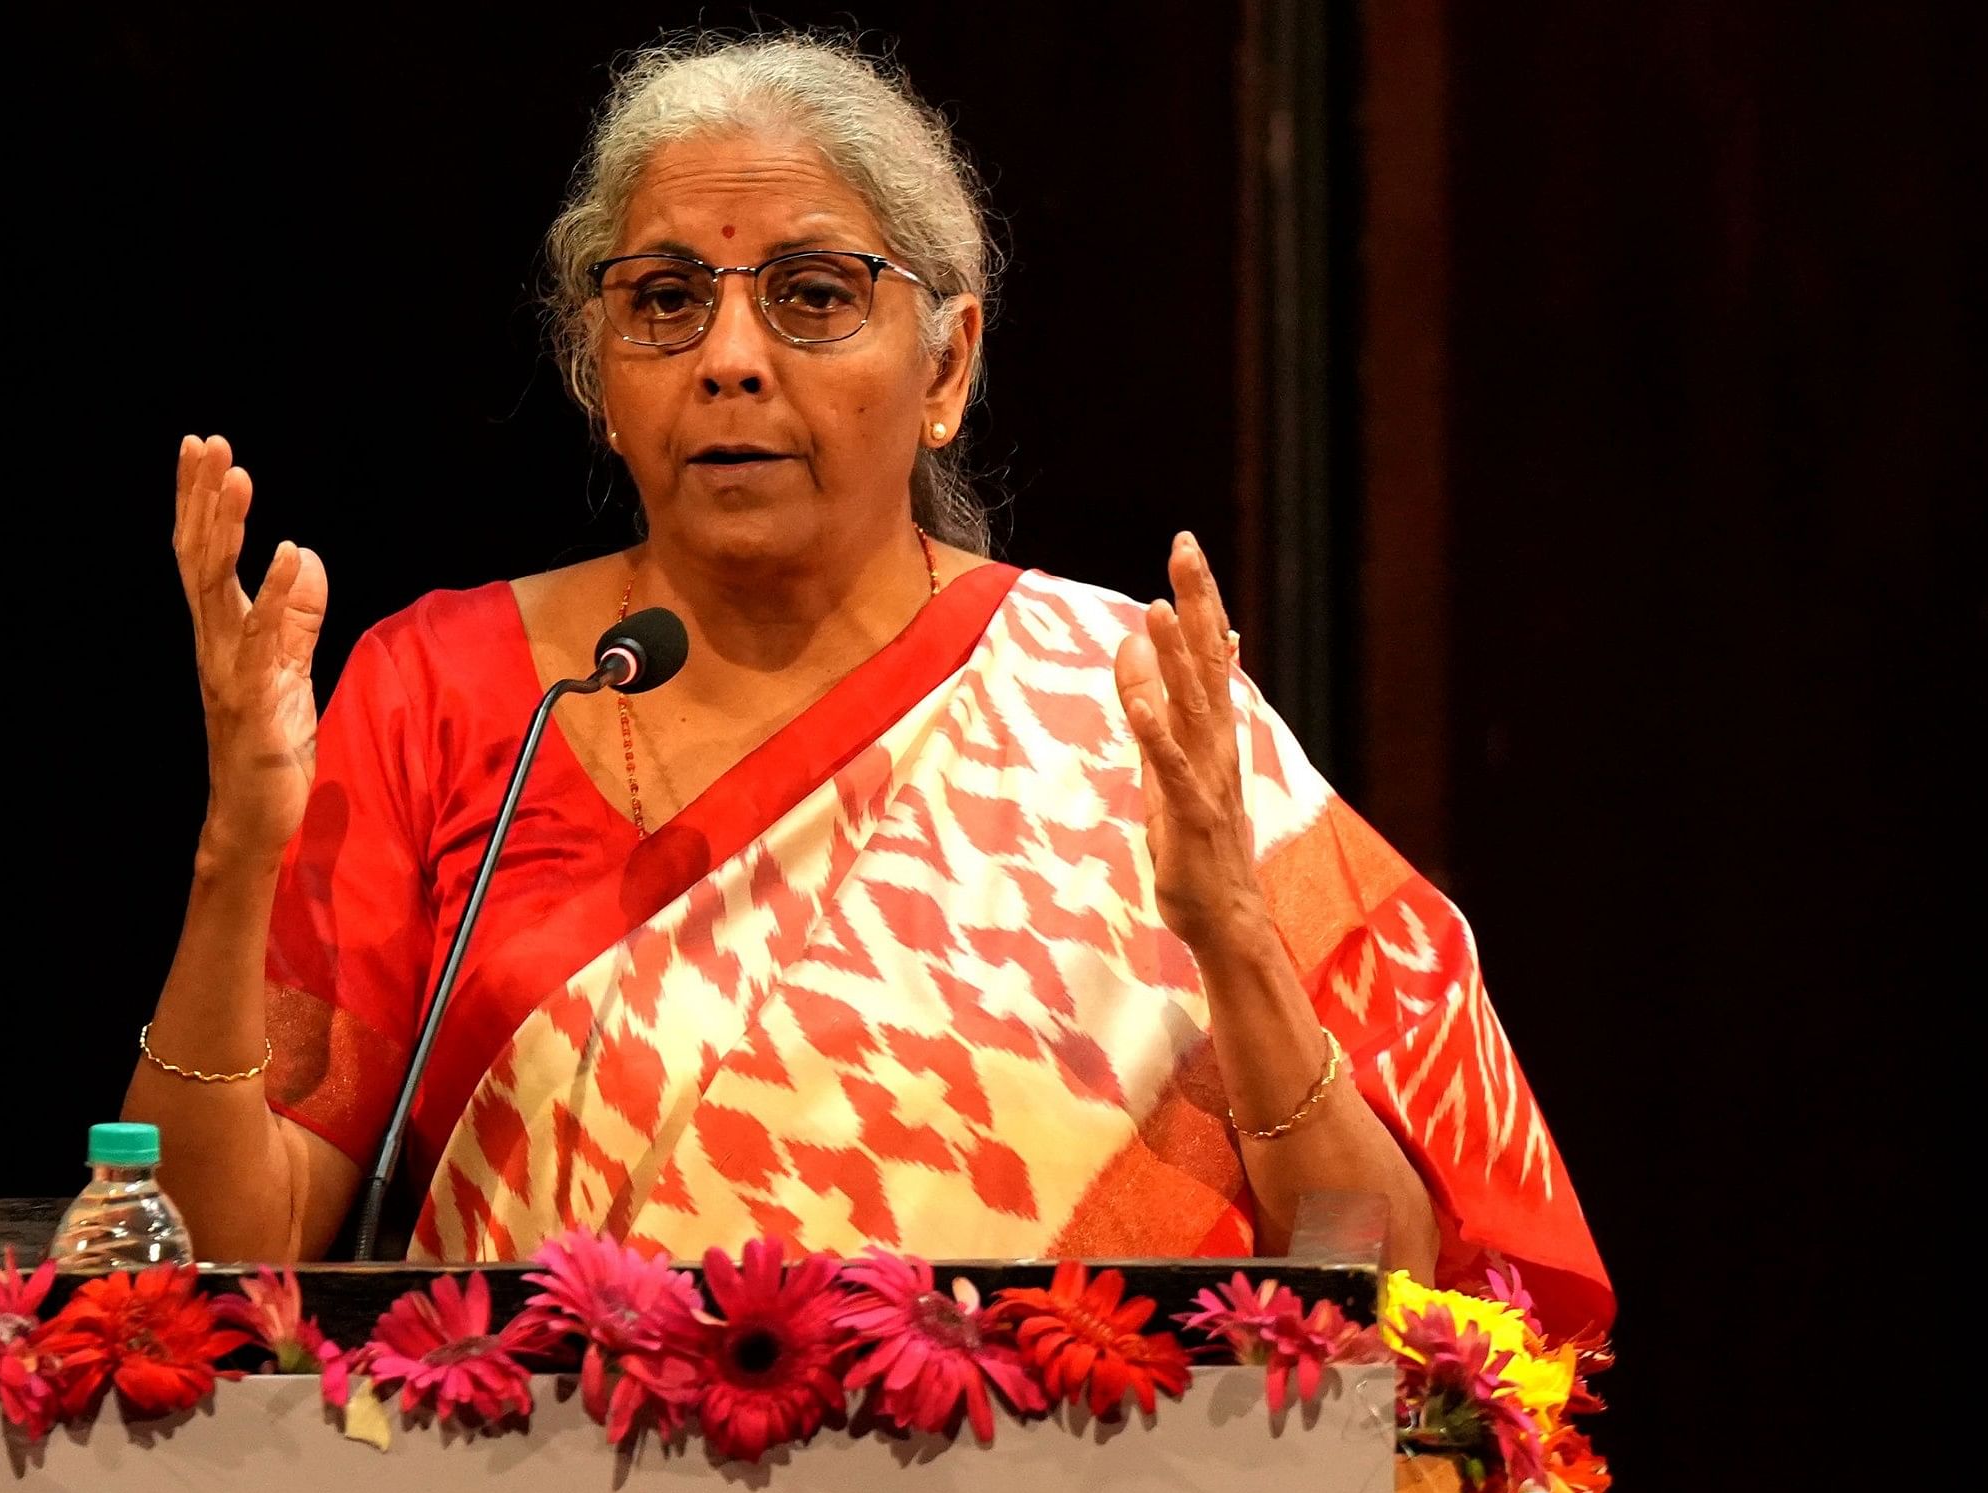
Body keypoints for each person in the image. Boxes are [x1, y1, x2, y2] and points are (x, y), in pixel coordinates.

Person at [126, 30, 1608, 1334]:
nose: (727, 359)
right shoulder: (445, 692)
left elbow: (1401, 1290)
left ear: (948, 363)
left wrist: (1228, 935)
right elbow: (204, 1261)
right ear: (599, 370)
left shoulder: (1126, 702)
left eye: (814, 295)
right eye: (661, 302)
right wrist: (232, 854)